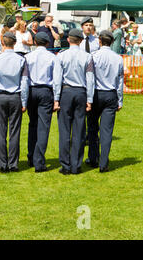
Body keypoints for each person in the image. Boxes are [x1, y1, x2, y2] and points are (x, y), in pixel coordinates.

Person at [53, 28, 95, 175]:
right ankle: (76, 165)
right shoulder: (88, 57)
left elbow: (57, 79)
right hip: (81, 92)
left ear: (69, 40)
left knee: (64, 130)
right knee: (79, 130)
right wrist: (89, 99)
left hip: (66, 92)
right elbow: (90, 80)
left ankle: (65, 165)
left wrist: (56, 99)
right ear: (81, 41)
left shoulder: (61, 56)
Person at [0, 32, 29, 173]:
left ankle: (2, 163)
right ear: (15, 42)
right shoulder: (21, 60)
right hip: (15, 97)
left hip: (1, 96)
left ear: (2, 42)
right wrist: (24, 101)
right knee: (14, 131)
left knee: (1, 132)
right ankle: (13, 163)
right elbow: (24, 83)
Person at [87, 30, 124, 172]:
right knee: (107, 131)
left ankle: (93, 158)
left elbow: (90, 79)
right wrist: (120, 100)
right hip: (111, 94)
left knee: (92, 127)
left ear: (100, 41)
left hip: (96, 94)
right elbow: (120, 81)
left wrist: (89, 98)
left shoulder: (93, 56)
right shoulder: (118, 58)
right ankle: (103, 163)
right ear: (113, 42)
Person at [25, 32, 56, 172]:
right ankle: (38, 160)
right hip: (45, 91)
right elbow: (55, 80)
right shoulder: (52, 58)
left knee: (33, 124)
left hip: (31, 91)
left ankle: (31, 156)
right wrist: (56, 98)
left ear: (35, 42)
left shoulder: (27, 57)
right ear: (47, 43)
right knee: (43, 126)